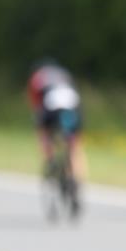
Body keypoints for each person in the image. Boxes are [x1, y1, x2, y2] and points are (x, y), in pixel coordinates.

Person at [26, 58, 87, 203]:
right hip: (72, 105)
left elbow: (36, 106)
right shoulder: (64, 74)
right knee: (75, 147)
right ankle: (76, 180)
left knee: (43, 133)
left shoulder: (37, 77)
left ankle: (50, 158)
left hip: (51, 106)